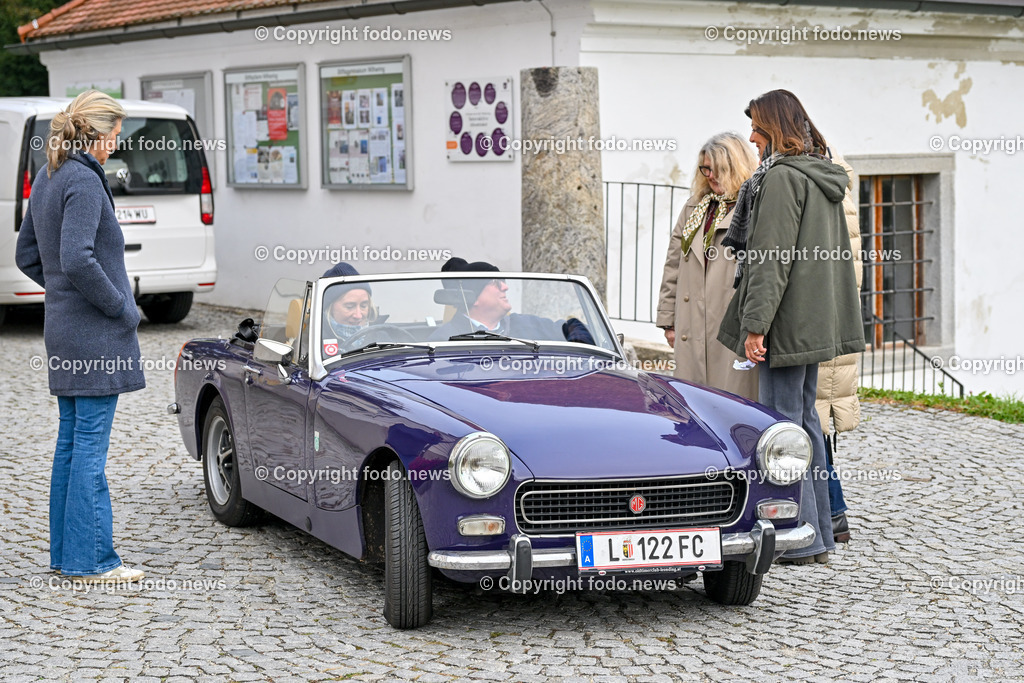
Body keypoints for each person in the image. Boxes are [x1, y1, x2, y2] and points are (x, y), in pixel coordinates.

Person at [717, 89, 865, 565]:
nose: (751, 137)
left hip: (784, 324)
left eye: (757, 127)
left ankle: (794, 537)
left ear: (776, 127)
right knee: (803, 429)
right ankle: (816, 536)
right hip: (814, 321)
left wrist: (756, 326)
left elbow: (770, 260)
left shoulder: (781, 178)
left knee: (782, 432)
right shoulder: (820, 173)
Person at [15, 90, 146, 583]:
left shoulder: (49, 176)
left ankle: (67, 556)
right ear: (98, 134)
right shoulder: (85, 181)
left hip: (63, 333)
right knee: (88, 446)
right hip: (95, 336)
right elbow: (77, 258)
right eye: (115, 136)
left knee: (71, 444)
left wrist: (63, 298)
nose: (117, 145)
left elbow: (27, 257)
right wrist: (122, 307)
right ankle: (92, 560)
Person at [657, 132, 759, 399]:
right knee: (692, 407)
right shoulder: (694, 207)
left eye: (718, 170)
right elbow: (674, 266)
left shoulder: (753, 207)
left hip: (731, 328)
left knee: (733, 407)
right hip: (691, 327)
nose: (710, 176)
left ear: (736, 168)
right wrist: (668, 321)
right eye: (705, 169)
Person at [428, 257, 594, 343]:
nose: (505, 287)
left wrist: (579, 346)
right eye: (495, 283)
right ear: (472, 297)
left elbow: (571, 328)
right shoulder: (442, 341)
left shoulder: (526, 325)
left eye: (504, 282)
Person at [321, 262, 372, 350]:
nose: (358, 316)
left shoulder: (384, 337)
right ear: (330, 308)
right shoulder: (313, 344)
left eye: (363, 306)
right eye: (349, 307)